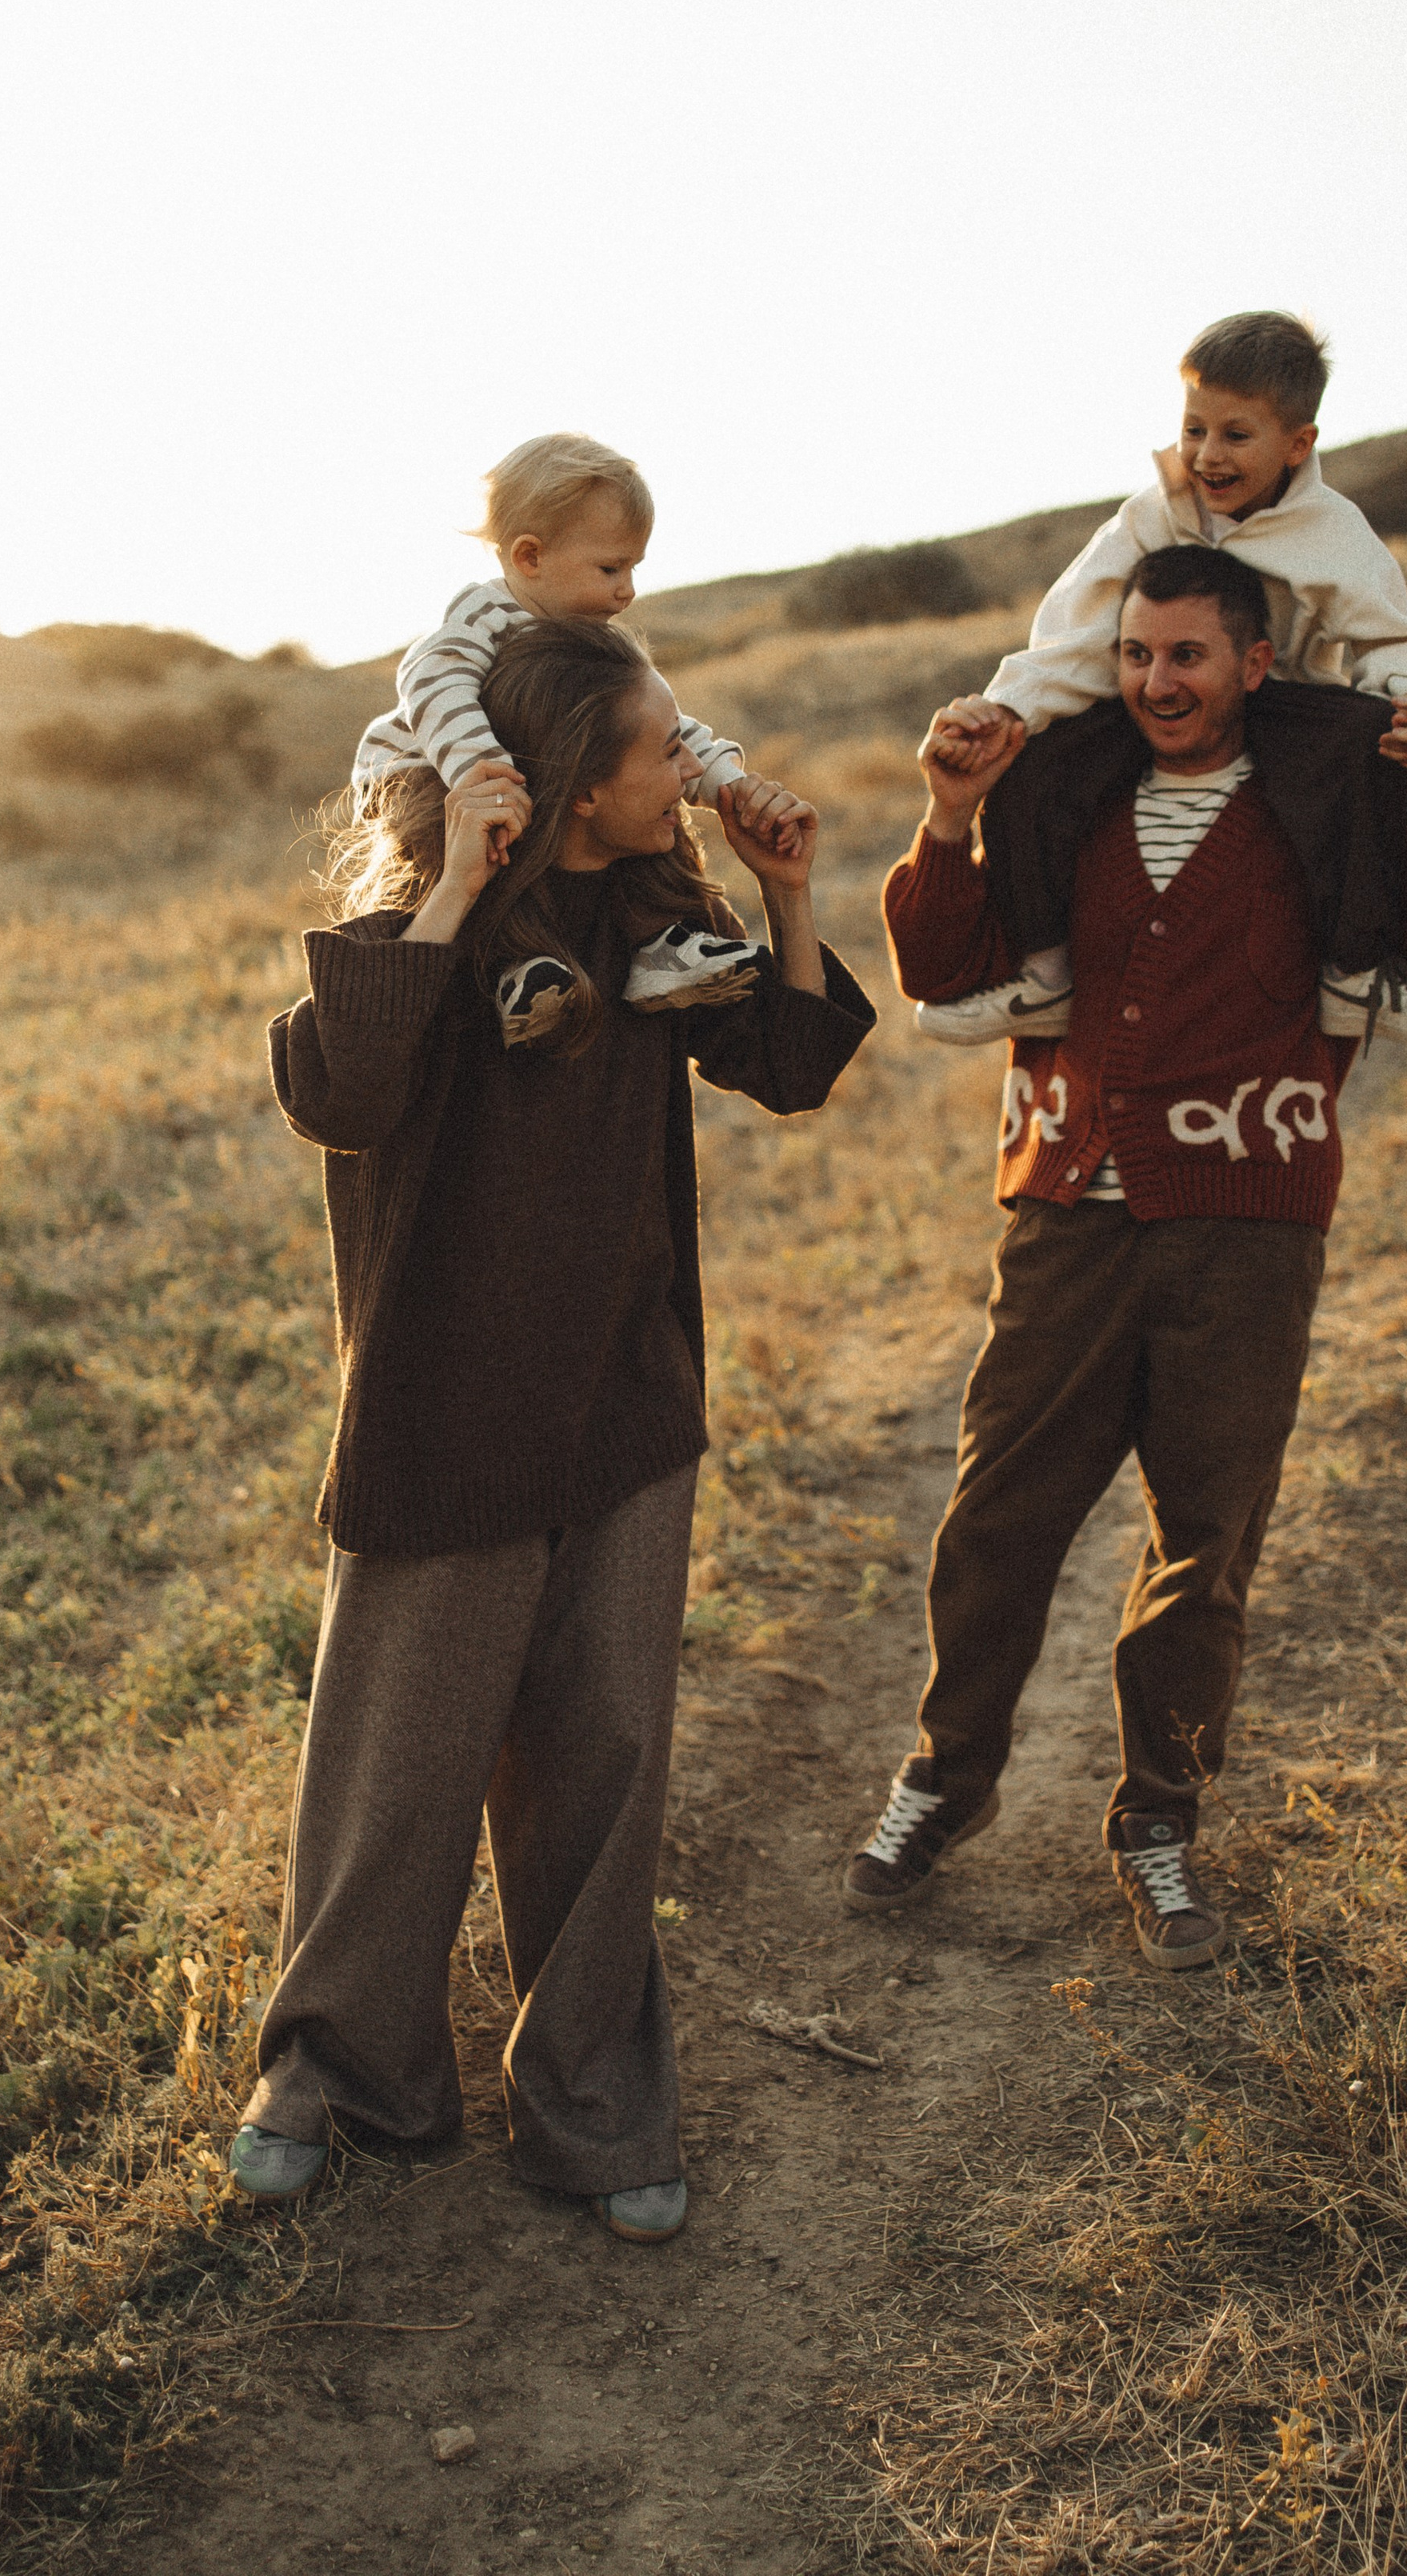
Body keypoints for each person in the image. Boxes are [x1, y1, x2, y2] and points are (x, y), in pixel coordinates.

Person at [233, 618, 873, 2236]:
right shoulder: (423, 936)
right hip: (441, 1416)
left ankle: (592, 2104)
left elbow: (787, 1063)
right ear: (580, 788)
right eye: (666, 750)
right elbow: (338, 1094)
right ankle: (336, 2075)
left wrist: (784, 889)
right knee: (398, 1779)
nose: (693, 767)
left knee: (602, 1764)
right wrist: (450, 880)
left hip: (621, 1411)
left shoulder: (656, 919)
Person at [843, 545, 1407, 1969]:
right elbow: (938, 963)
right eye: (1140, 655)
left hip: (1249, 1225)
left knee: (1203, 1540)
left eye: (1190, 658)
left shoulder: (1329, 803)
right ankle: (945, 1779)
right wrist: (950, 816)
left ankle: (1161, 1821)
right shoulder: (1064, 789)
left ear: (1253, 666)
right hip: (1067, 1210)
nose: (1159, 682)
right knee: (996, 1520)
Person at [914, 312, 1407, 1051]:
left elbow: (1392, 637)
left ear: (1297, 444)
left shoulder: (1334, 531)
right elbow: (1081, 630)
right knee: (1035, 759)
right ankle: (1044, 973)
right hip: (1155, 697)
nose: (1207, 455)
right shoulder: (1154, 514)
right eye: (1193, 430)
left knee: (1367, 746)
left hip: (1278, 703)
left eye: (1236, 435)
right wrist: (1010, 707)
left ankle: (1354, 972)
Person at [354, 430, 806, 1038]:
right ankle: (516, 973)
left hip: (510, 779)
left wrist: (725, 780)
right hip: (419, 776)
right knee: (484, 849)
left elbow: (655, 729)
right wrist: (480, 770)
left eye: (633, 567)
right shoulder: (485, 619)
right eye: (610, 567)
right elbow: (433, 686)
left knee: (631, 794)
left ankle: (659, 953)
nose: (628, 589)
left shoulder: (588, 649)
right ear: (530, 558)